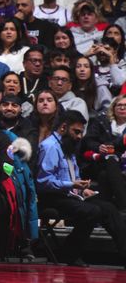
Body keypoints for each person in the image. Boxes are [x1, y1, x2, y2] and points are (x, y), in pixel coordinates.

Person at [36, 110, 126, 267]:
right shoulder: (49, 146)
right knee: (92, 211)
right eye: (76, 132)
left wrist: (82, 189)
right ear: (63, 127)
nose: (79, 137)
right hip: (51, 197)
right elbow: (43, 181)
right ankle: (69, 254)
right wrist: (72, 185)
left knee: (109, 208)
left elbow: (73, 174)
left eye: (81, 133)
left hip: (69, 194)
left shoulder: (68, 145)